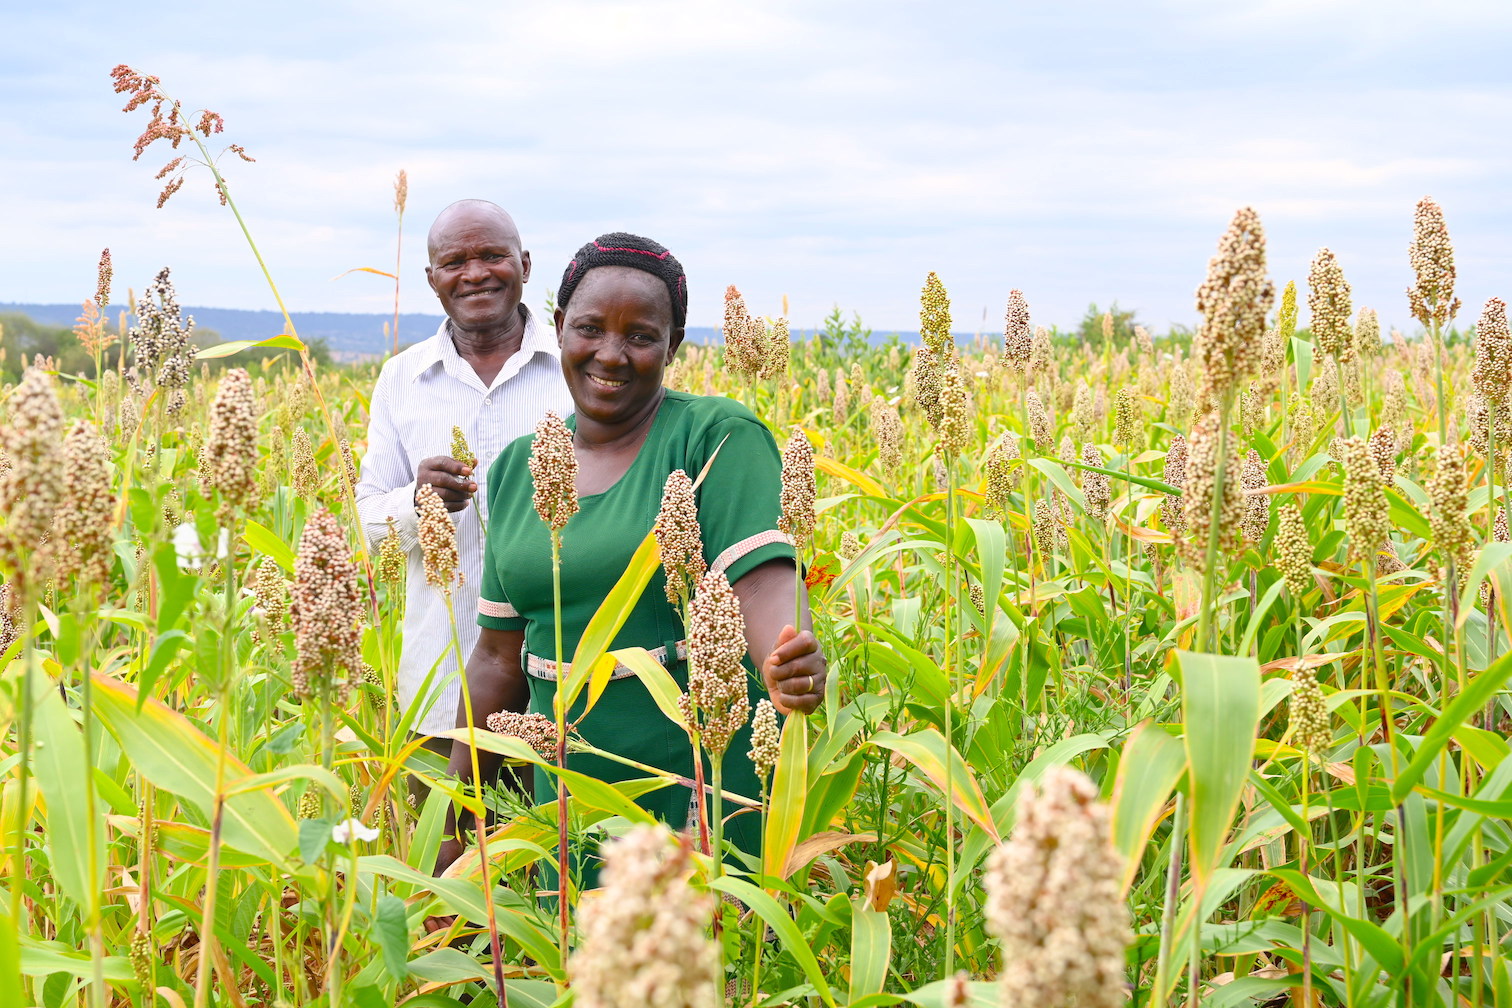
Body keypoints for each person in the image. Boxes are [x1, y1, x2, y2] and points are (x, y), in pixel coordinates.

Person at [437, 232, 826, 878]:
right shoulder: (517, 471)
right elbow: (497, 660)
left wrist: (785, 656)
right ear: (559, 328)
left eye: (641, 336)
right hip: (564, 808)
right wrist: (454, 825)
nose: (611, 355)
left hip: (699, 800)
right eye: (590, 328)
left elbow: (759, 586)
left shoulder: (713, 437)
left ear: (672, 345)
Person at [356, 200, 572, 755]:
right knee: (444, 841)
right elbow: (365, 524)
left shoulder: (578, 367)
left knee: (561, 839)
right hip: (440, 682)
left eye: (493, 256)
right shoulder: (402, 379)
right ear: (432, 280)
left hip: (562, 681)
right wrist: (416, 502)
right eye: (455, 262)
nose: (475, 273)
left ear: (525, 265)